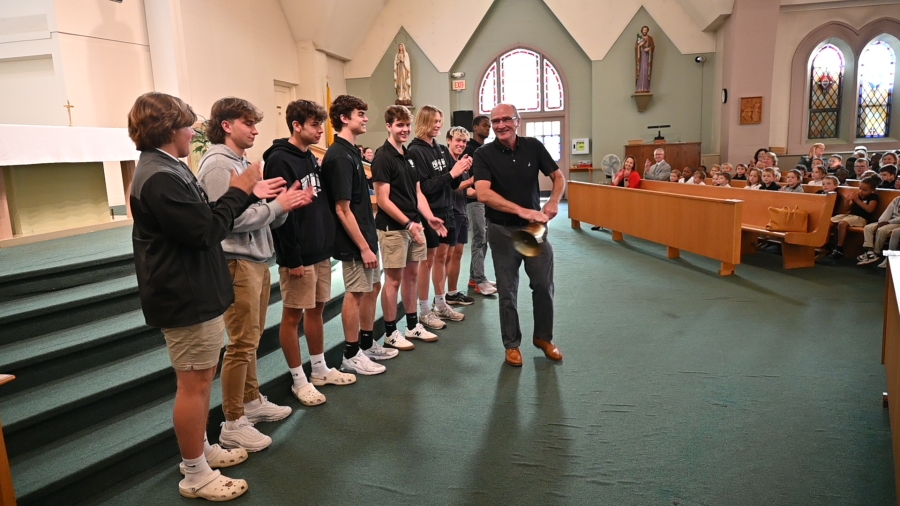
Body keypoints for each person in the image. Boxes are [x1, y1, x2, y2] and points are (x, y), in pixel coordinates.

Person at [128, 92, 285, 501]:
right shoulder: (158, 175)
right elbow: (204, 231)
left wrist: (243, 191)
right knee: (194, 384)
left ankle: (202, 451)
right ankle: (195, 472)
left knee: (201, 377)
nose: (192, 132)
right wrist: (240, 190)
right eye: (186, 125)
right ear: (167, 129)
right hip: (183, 294)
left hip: (194, 289)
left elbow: (200, 223)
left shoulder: (167, 167)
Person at [197, 97, 309, 452]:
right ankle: (233, 421)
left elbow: (258, 212)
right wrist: (274, 207)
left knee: (252, 338)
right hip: (235, 260)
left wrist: (283, 207)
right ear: (227, 125)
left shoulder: (242, 162)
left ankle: (251, 401)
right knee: (241, 342)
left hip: (256, 257)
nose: (256, 130)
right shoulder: (218, 164)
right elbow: (224, 221)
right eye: (248, 123)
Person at [263, 99, 359, 407]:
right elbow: (280, 215)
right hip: (298, 255)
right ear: (296, 125)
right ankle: (298, 379)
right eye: (315, 125)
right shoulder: (279, 160)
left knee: (316, 310)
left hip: (319, 251)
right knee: (292, 317)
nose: (321, 130)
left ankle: (319, 369)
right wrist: (292, 258)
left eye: (321, 124)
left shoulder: (309, 158)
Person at [473, 103, 566, 367]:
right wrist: (524, 211)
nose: (500, 125)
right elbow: (483, 194)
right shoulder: (484, 154)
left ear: (518, 121)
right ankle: (511, 344)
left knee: (543, 285)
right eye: (495, 121)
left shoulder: (533, 146)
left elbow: (558, 177)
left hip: (533, 232)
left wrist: (554, 202)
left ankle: (544, 338)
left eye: (506, 119)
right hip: (501, 230)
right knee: (507, 290)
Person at [321, 95, 386, 376]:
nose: (366, 118)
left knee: (372, 288)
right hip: (354, 241)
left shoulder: (352, 151)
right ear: (344, 118)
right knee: (355, 293)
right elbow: (341, 209)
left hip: (367, 235)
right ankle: (350, 353)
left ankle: (367, 343)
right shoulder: (338, 156)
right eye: (360, 113)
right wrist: (363, 247)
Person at [372, 105, 446, 351]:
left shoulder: (409, 155)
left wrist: (429, 218)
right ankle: (391, 332)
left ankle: (413, 325)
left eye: (407, 125)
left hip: (415, 225)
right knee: (393, 281)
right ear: (389, 126)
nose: (404, 130)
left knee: (412, 276)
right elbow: (383, 200)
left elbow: (417, 193)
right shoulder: (383, 157)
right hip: (394, 228)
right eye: (399, 125)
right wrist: (408, 223)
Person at [408, 105, 470, 329]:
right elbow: (424, 187)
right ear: (424, 121)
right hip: (429, 212)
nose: (438, 125)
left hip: (448, 209)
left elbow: (452, 182)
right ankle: (424, 310)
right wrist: (452, 173)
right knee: (427, 262)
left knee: (443, 259)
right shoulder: (415, 151)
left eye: (440, 121)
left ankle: (441, 304)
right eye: (434, 121)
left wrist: (460, 170)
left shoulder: (442, 149)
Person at [464, 115, 497, 296]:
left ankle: (474, 277)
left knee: (483, 239)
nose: (488, 128)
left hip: (484, 199)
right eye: (485, 125)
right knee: (479, 238)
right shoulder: (469, 149)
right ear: (475, 127)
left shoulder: (484, 149)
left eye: (489, 126)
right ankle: (479, 280)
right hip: (473, 199)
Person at [444, 126, 477, 307]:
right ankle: (442, 297)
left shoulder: (462, 162)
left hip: (462, 211)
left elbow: (467, 190)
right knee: (447, 256)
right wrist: (471, 181)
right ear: (449, 140)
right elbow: (453, 186)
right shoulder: (446, 161)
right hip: (450, 212)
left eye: (464, 141)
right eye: (458, 140)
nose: (461, 144)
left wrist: (484, 192)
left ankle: (453, 292)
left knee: (458, 254)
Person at [826, 176, 878, 262]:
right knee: (828, 221)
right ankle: (827, 244)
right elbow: (847, 208)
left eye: (865, 190)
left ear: (872, 190)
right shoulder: (857, 195)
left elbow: (870, 209)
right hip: (850, 216)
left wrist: (857, 200)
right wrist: (847, 200)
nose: (861, 191)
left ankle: (839, 248)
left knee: (842, 224)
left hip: (861, 218)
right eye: (860, 188)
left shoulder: (874, 197)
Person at [857, 190, 900, 266]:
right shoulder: (897, 199)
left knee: (882, 230)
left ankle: (876, 253)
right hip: (888, 221)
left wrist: (888, 222)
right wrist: (882, 221)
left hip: (896, 223)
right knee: (868, 227)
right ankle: (870, 252)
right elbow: (888, 211)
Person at [635, 25, 654, 92]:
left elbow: (652, 46)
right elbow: (636, 47)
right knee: (641, 70)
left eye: (646, 30)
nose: (645, 31)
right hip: (641, 57)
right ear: (642, 31)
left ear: (647, 31)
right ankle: (640, 87)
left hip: (647, 57)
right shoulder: (639, 38)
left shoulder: (650, 38)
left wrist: (649, 48)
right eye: (644, 30)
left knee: (646, 70)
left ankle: (645, 87)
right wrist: (639, 46)